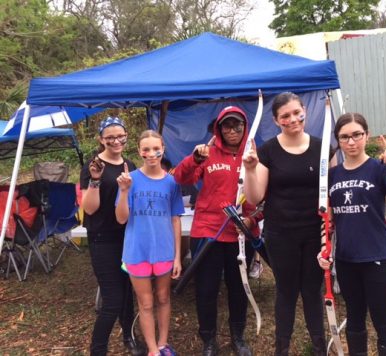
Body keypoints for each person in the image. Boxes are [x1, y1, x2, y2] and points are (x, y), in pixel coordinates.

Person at [317, 113, 386, 356]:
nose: (351, 142)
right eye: (344, 137)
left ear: (367, 135)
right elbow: (328, 220)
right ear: (338, 141)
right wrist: (323, 249)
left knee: (383, 319)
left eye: (357, 135)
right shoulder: (333, 176)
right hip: (346, 260)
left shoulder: (380, 170)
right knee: (354, 318)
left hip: (378, 258)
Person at [243, 92, 329, 356]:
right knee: (287, 291)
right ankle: (282, 348)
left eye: (296, 113)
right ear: (276, 120)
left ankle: (319, 348)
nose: (292, 119)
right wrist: (250, 168)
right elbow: (256, 197)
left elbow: (332, 192)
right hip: (281, 234)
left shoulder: (322, 148)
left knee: (312, 290)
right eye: (285, 116)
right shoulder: (268, 150)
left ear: (304, 111)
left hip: (315, 233)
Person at [173, 106, 260, 356]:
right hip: (208, 232)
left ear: (244, 128)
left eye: (237, 126)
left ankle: (238, 337)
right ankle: (209, 340)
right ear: (219, 129)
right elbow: (181, 178)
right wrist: (195, 159)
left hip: (239, 233)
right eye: (227, 126)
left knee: (239, 286)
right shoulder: (207, 153)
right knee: (207, 289)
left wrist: (252, 219)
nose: (232, 130)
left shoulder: (251, 156)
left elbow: (260, 195)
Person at [80, 116, 145, 356]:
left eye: (120, 136)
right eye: (110, 137)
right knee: (113, 298)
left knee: (128, 292)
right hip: (102, 238)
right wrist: (96, 180)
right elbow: (89, 208)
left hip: (128, 237)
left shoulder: (130, 164)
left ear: (126, 136)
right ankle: (97, 349)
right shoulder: (93, 166)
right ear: (101, 139)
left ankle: (129, 336)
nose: (116, 141)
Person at [115, 130, 184, 356]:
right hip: (137, 251)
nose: (151, 154)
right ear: (139, 151)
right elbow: (121, 218)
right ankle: (153, 350)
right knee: (145, 304)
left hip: (164, 250)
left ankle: (163, 344)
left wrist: (177, 257)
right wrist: (124, 191)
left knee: (163, 298)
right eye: (146, 149)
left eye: (156, 149)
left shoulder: (172, 182)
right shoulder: (130, 180)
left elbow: (175, 220)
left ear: (163, 149)